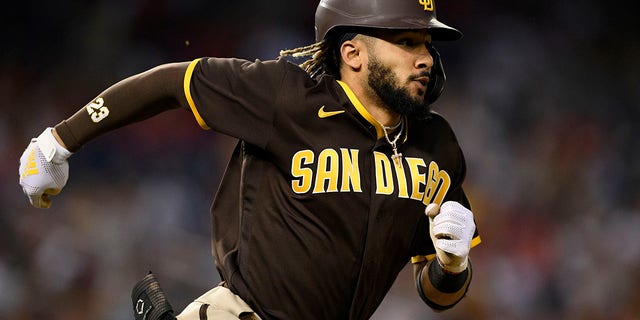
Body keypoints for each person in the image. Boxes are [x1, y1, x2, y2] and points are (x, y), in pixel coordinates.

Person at [18, 0, 481, 319]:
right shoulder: (287, 96)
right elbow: (170, 83)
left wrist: (452, 267)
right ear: (352, 53)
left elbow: (438, 296)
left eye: (425, 44)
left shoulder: (437, 145)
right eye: (406, 41)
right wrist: (61, 140)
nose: (425, 58)